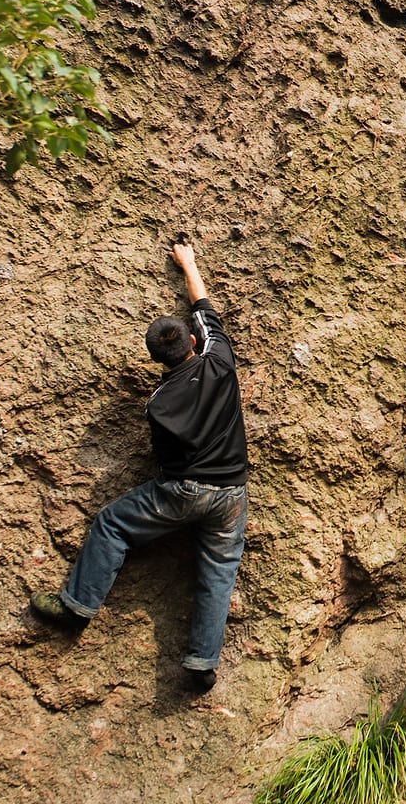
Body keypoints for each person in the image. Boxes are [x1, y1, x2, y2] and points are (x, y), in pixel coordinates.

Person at [30, 240, 248, 693]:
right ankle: (202, 663)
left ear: (154, 360)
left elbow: (165, 460)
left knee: (112, 524)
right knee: (220, 571)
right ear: (193, 342)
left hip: (183, 491)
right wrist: (188, 263)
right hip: (231, 492)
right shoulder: (220, 361)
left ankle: (78, 606)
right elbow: (204, 308)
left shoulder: (158, 404)